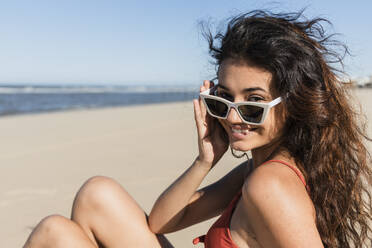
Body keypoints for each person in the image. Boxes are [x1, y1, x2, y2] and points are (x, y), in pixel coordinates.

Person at [24, 9, 371, 248]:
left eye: (252, 105)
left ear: (292, 103)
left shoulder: (271, 184)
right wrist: (205, 159)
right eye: (222, 101)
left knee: (54, 233)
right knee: (96, 194)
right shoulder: (259, 167)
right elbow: (162, 223)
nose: (233, 118)